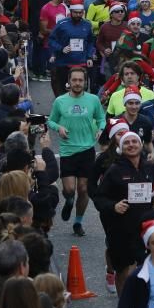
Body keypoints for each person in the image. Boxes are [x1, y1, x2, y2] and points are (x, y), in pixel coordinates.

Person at [47, 66, 106, 236]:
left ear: (85, 82)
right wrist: (59, 128)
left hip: (87, 149)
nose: (78, 83)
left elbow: (101, 119)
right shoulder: (60, 101)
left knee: (84, 188)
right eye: (75, 80)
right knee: (69, 189)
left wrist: (100, 129)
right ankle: (69, 200)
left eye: (81, 80)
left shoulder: (93, 99)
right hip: (67, 151)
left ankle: (78, 222)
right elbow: (51, 121)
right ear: (69, 81)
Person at [95, 131, 154, 295]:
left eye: (134, 142)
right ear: (121, 148)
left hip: (145, 228)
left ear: (141, 145)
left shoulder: (149, 167)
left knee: (146, 268)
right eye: (126, 143)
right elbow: (100, 197)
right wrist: (113, 206)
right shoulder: (115, 170)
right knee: (122, 270)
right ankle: (124, 307)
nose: (131, 145)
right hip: (121, 228)